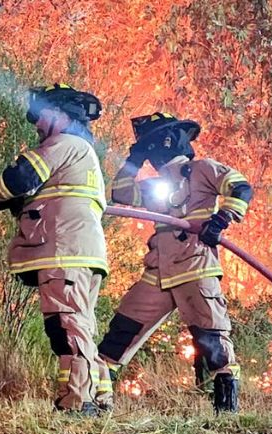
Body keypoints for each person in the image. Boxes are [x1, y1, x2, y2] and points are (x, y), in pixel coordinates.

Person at [0, 83, 112, 416]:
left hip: (64, 252)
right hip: (80, 252)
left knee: (66, 328)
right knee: (79, 325)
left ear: (58, 115)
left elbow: (19, 178)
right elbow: (29, 194)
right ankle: (98, 399)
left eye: (41, 119)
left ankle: (78, 402)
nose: (38, 127)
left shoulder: (64, 143)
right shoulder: (81, 153)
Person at [97, 112, 253, 413]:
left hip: (195, 267)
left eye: (149, 146)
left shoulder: (203, 169)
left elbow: (241, 188)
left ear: (166, 141)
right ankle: (97, 402)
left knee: (213, 341)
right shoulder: (155, 185)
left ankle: (227, 414)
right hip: (158, 272)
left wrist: (222, 219)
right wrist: (133, 161)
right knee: (120, 334)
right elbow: (119, 193)